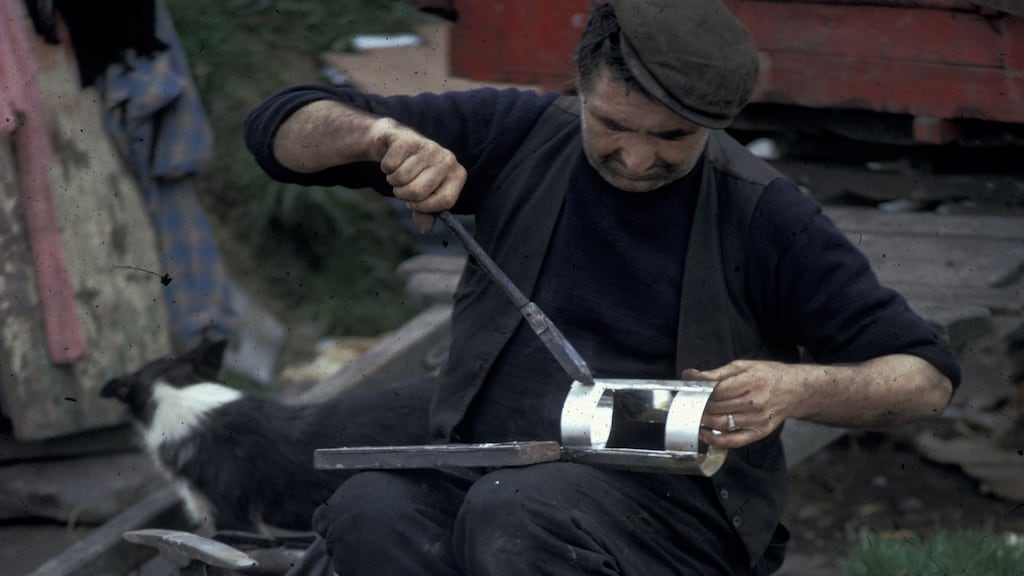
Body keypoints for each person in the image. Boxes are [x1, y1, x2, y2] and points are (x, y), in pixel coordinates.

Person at [243, 1, 959, 574]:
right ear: (580, 87)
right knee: (370, 508)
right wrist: (379, 139)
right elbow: (278, 128)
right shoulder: (518, 135)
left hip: (672, 513)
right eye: (612, 125)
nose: (637, 158)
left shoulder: (765, 213)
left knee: (517, 511)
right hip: (490, 466)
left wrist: (795, 389)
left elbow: (925, 377)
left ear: (716, 123)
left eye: (672, 137)